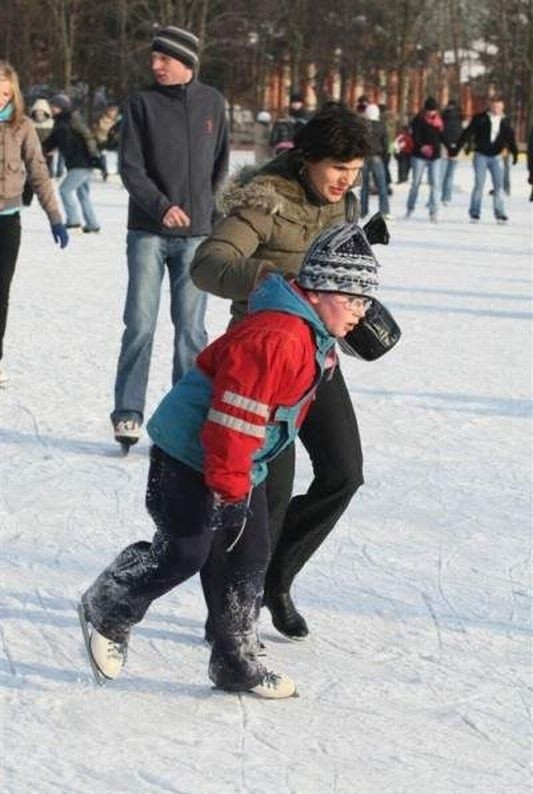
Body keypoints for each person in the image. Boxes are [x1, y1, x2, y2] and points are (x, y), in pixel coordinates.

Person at [78, 221, 380, 698]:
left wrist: (339, 336)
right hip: (189, 456)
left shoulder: (312, 334)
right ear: (319, 291)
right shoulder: (277, 339)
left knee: (249, 557)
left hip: (238, 463)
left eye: (367, 302)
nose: (361, 314)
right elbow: (231, 424)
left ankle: (235, 662)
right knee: (185, 551)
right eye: (353, 300)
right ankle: (110, 603)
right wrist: (232, 489)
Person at [191, 103, 372, 640]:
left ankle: (275, 579)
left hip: (318, 359)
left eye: (356, 170)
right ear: (309, 157)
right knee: (268, 491)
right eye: (338, 167)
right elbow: (208, 264)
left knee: (344, 473)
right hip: (266, 357)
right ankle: (231, 607)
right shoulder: (265, 199)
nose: (346, 180)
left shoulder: (346, 206)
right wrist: (283, 279)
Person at [110, 25, 229, 449]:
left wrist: (209, 213)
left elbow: (220, 164)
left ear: (186, 62)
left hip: (196, 235)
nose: (155, 65)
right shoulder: (140, 103)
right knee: (140, 323)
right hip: (148, 230)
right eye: (154, 57)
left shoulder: (213, 102)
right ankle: (127, 413)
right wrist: (161, 205)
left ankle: (184, 418)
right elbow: (130, 167)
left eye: (164, 58)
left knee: (191, 330)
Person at [0, 61, 69, 386]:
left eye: (5, 93)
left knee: (0, 293)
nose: (1, 99)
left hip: (7, 223)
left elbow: (39, 173)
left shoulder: (23, 126)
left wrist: (55, 217)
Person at [44, 93, 104, 233]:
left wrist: (94, 156)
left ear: (62, 107)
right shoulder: (63, 121)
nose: (52, 109)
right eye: (51, 106)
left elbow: (82, 137)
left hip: (81, 163)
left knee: (65, 190)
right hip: (81, 163)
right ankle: (92, 224)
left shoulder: (67, 121)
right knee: (83, 194)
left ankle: (73, 221)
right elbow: (55, 140)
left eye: (55, 107)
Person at [455, 95, 518, 223]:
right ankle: (474, 212)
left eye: (499, 107)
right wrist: (457, 148)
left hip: (496, 157)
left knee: (499, 186)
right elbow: (468, 133)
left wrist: (515, 153)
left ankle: (500, 213)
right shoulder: (480, 118)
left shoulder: (505, 121)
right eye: (495, 107)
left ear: (502, 107)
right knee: (479, 184)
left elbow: (510, 138)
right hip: (481, 155)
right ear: (490, 106)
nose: (497, 110)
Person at [405, 97, 444, 222]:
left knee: (435, 184)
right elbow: (414, 136)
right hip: (419, 155)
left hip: (435, 156)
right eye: (429, 110)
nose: (431, 113)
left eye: (433, 110)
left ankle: (434, 211)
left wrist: (452, 148)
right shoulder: (418, 119)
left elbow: (442, 137)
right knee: (416, 183)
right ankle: (410, 208)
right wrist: (422, 146)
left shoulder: (439, 121)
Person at [360, 103, 391, 219]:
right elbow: (385, 143)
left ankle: (363, 210)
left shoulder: (363, 125)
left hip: (364, 156)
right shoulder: (381, 126)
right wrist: (386, 157)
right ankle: (384, 210)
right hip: (377, 157)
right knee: (382, 185)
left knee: (364, 185)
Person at [269, 91, 310, 156]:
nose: (295, 104)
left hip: (299, 145)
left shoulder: (305, 115)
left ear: (301, 103)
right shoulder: (286, 113)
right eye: (294, 102)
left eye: (298, 102)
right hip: (285, 145)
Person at [440, 99, 462, 205]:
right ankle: (446, 198)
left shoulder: (442, 117)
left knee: (441, 175)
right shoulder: (460, 117)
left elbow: (440, 133)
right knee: (450, 175)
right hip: (456, 148)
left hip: (444, 147)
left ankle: (437, 197)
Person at [92, 103, 121, 180]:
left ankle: (119, 169)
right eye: (111, 111)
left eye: (115, 111)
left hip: (113, 142)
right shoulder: (101, 119)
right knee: (103, 156)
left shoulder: (118, 120)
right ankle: (104, 170)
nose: (113, 113)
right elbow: (96, 129)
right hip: (102, 140)